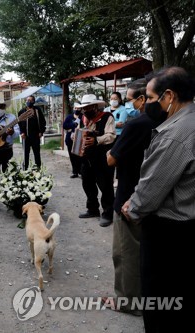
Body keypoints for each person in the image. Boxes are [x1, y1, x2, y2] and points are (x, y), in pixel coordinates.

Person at [121, 67, 195, 332]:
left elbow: (151, 190)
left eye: (151, 99)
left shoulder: (175, 135)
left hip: (169, 235)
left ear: (169, 96)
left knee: (161, 303)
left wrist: (133, 207)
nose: (147, 105)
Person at [104, 79, 161, 316]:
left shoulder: (137, 124)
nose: (129, 104)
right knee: (148, 252)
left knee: (126, 252)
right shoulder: (170, 121)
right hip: (157, 196)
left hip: (130, 197)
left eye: (132, 100)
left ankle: (128, 301)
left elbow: (111, 159)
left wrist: (109, 150)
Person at [75, 94, 116, 227]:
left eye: (87, 108)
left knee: (106, 186)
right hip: (87, 158)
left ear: (94, 107)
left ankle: (108, 213)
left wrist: (96, 140)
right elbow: (79, 131)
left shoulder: (107, 117)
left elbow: (111, 136)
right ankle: (92, 209)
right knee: (87, 184)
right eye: (84, 108)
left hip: (103, 158)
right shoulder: (84, 119)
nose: (85, 111)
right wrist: (74, 137)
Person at [18, 95, 46, 169]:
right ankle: (25, 169)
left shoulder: (37, 110)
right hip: (26, 136)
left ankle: (38, 169)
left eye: (30, 100)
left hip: (35, 136)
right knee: (25, 154)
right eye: (27, 100)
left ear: (33, 101)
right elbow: (19, 124)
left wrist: (41, 131)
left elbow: (43, 122)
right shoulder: (22, 111)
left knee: (37, 154)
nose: (28, 102)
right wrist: (21, 132)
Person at [62, 106, 83, 178]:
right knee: (72, 156)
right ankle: (75, 172)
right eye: (75, 108)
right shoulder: (69, 117)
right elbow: (64, 126)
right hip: (69, 139)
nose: (77, 110)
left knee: (79, 156)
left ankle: (80, 171)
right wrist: (73, 125)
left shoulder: (82, 117)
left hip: (79, 138)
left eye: (78, 108)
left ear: (81, 109)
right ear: (73, 108)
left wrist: (72, 128)